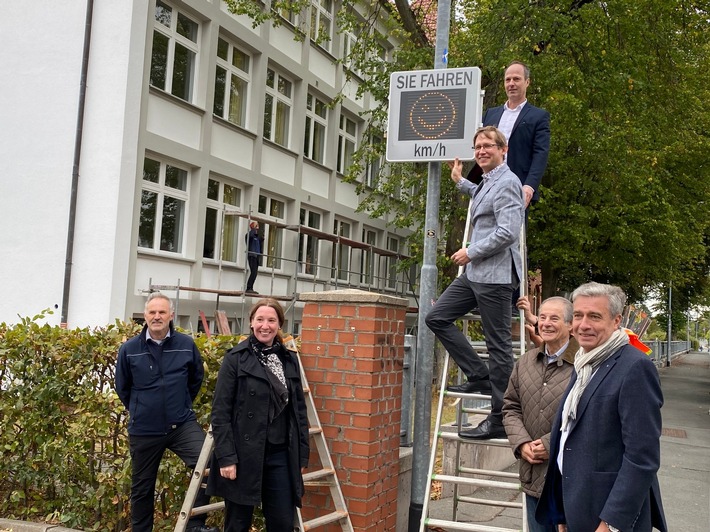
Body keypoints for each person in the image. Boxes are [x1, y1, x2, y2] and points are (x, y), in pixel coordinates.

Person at [536, 282, 667, 532]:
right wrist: (562, 510)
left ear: (616, 321)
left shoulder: (635, 367)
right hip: (576, 507)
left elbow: (642, 458)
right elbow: (568, 437)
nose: (583, 325)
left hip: (606, 517)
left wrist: (610, 524)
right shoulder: (585, 361)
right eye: (578, 315)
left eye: (595, 316)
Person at [425, 125, 524, 440]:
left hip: (495, 276)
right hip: (475, 275)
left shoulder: (509, 182)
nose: (481, 151)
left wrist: (471, 251)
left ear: (502, 150)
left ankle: (499, 420)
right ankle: (479, 375)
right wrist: (460, 181)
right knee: (436, 317)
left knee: (499, 348)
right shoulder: (487, 181)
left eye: (488, 146)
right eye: (478, 146)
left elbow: (508, 231)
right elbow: (480, 195)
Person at [115, 292, 217, 532]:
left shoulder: (186, 345)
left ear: (171, 315)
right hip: (145, 428)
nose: (157, 316)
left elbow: (195, 378)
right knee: (142, 487)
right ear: (145, 316)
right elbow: (123, 387)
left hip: (180, 424)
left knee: (209, 464)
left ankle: (194, 525)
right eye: (152, 312)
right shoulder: (129, 349)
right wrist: (141, 410)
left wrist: (179, 404)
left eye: (162, 312)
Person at [207, 298, 310, 531]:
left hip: (280, 455)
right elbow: (220, 412)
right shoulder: (235, 358)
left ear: (279, 325)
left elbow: (298, 412)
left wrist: (302, 455)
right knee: (238, 524)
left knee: (283, 523)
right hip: (243, 456)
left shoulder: (289, 360)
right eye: (260, 319)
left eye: (271, 320)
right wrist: (227, 457)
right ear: (251, 323)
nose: (266, 325)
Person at [502, 296, 579, 532]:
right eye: (542, 317)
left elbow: (587, 416)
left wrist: (550, 443)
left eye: (554, 318)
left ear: (570, 325)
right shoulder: (525, 362)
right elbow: (510, 407)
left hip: (569, 481)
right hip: (533, 474)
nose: (546, 323)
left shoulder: (584, 364)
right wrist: (522, 443)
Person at [467, 61, 550, 209]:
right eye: (508, 79)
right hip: (486, 185)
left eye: (516, 79)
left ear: (527, 82)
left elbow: (540, 154)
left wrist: (529, 186)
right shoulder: (491, 114)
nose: (511, 83)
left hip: (517, 187)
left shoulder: (538, 116)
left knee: (511, 230)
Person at [245, 221, 262, 295]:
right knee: (253, 272)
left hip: (256, 256)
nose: (257, 227)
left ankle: (251, 288)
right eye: (256, 226)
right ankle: (249, 288)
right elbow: (251, 235)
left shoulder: (256, 237)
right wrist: (253, 228)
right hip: (252, 255)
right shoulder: (249, 235)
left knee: (255, 273)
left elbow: (261, 239)